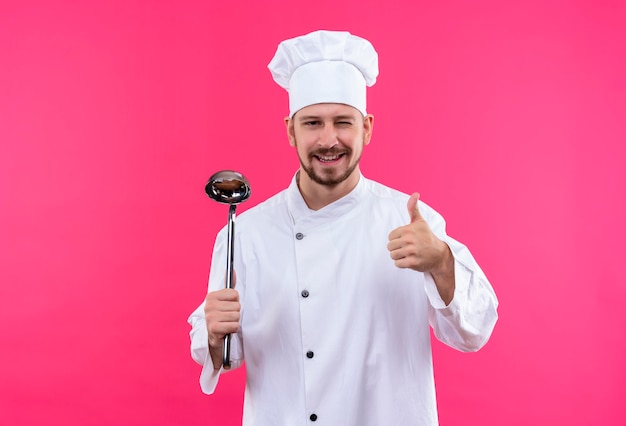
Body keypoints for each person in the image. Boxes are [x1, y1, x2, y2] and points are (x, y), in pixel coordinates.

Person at [188, 30, 498, 425]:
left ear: (366, 127)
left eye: (343, 122)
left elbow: (475, 332)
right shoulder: (245, 235)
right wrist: (214, 335)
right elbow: (226, 356)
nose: (329, 139)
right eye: (313, 122)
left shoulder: (411, 221)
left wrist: (441, 261)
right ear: (290, 131)